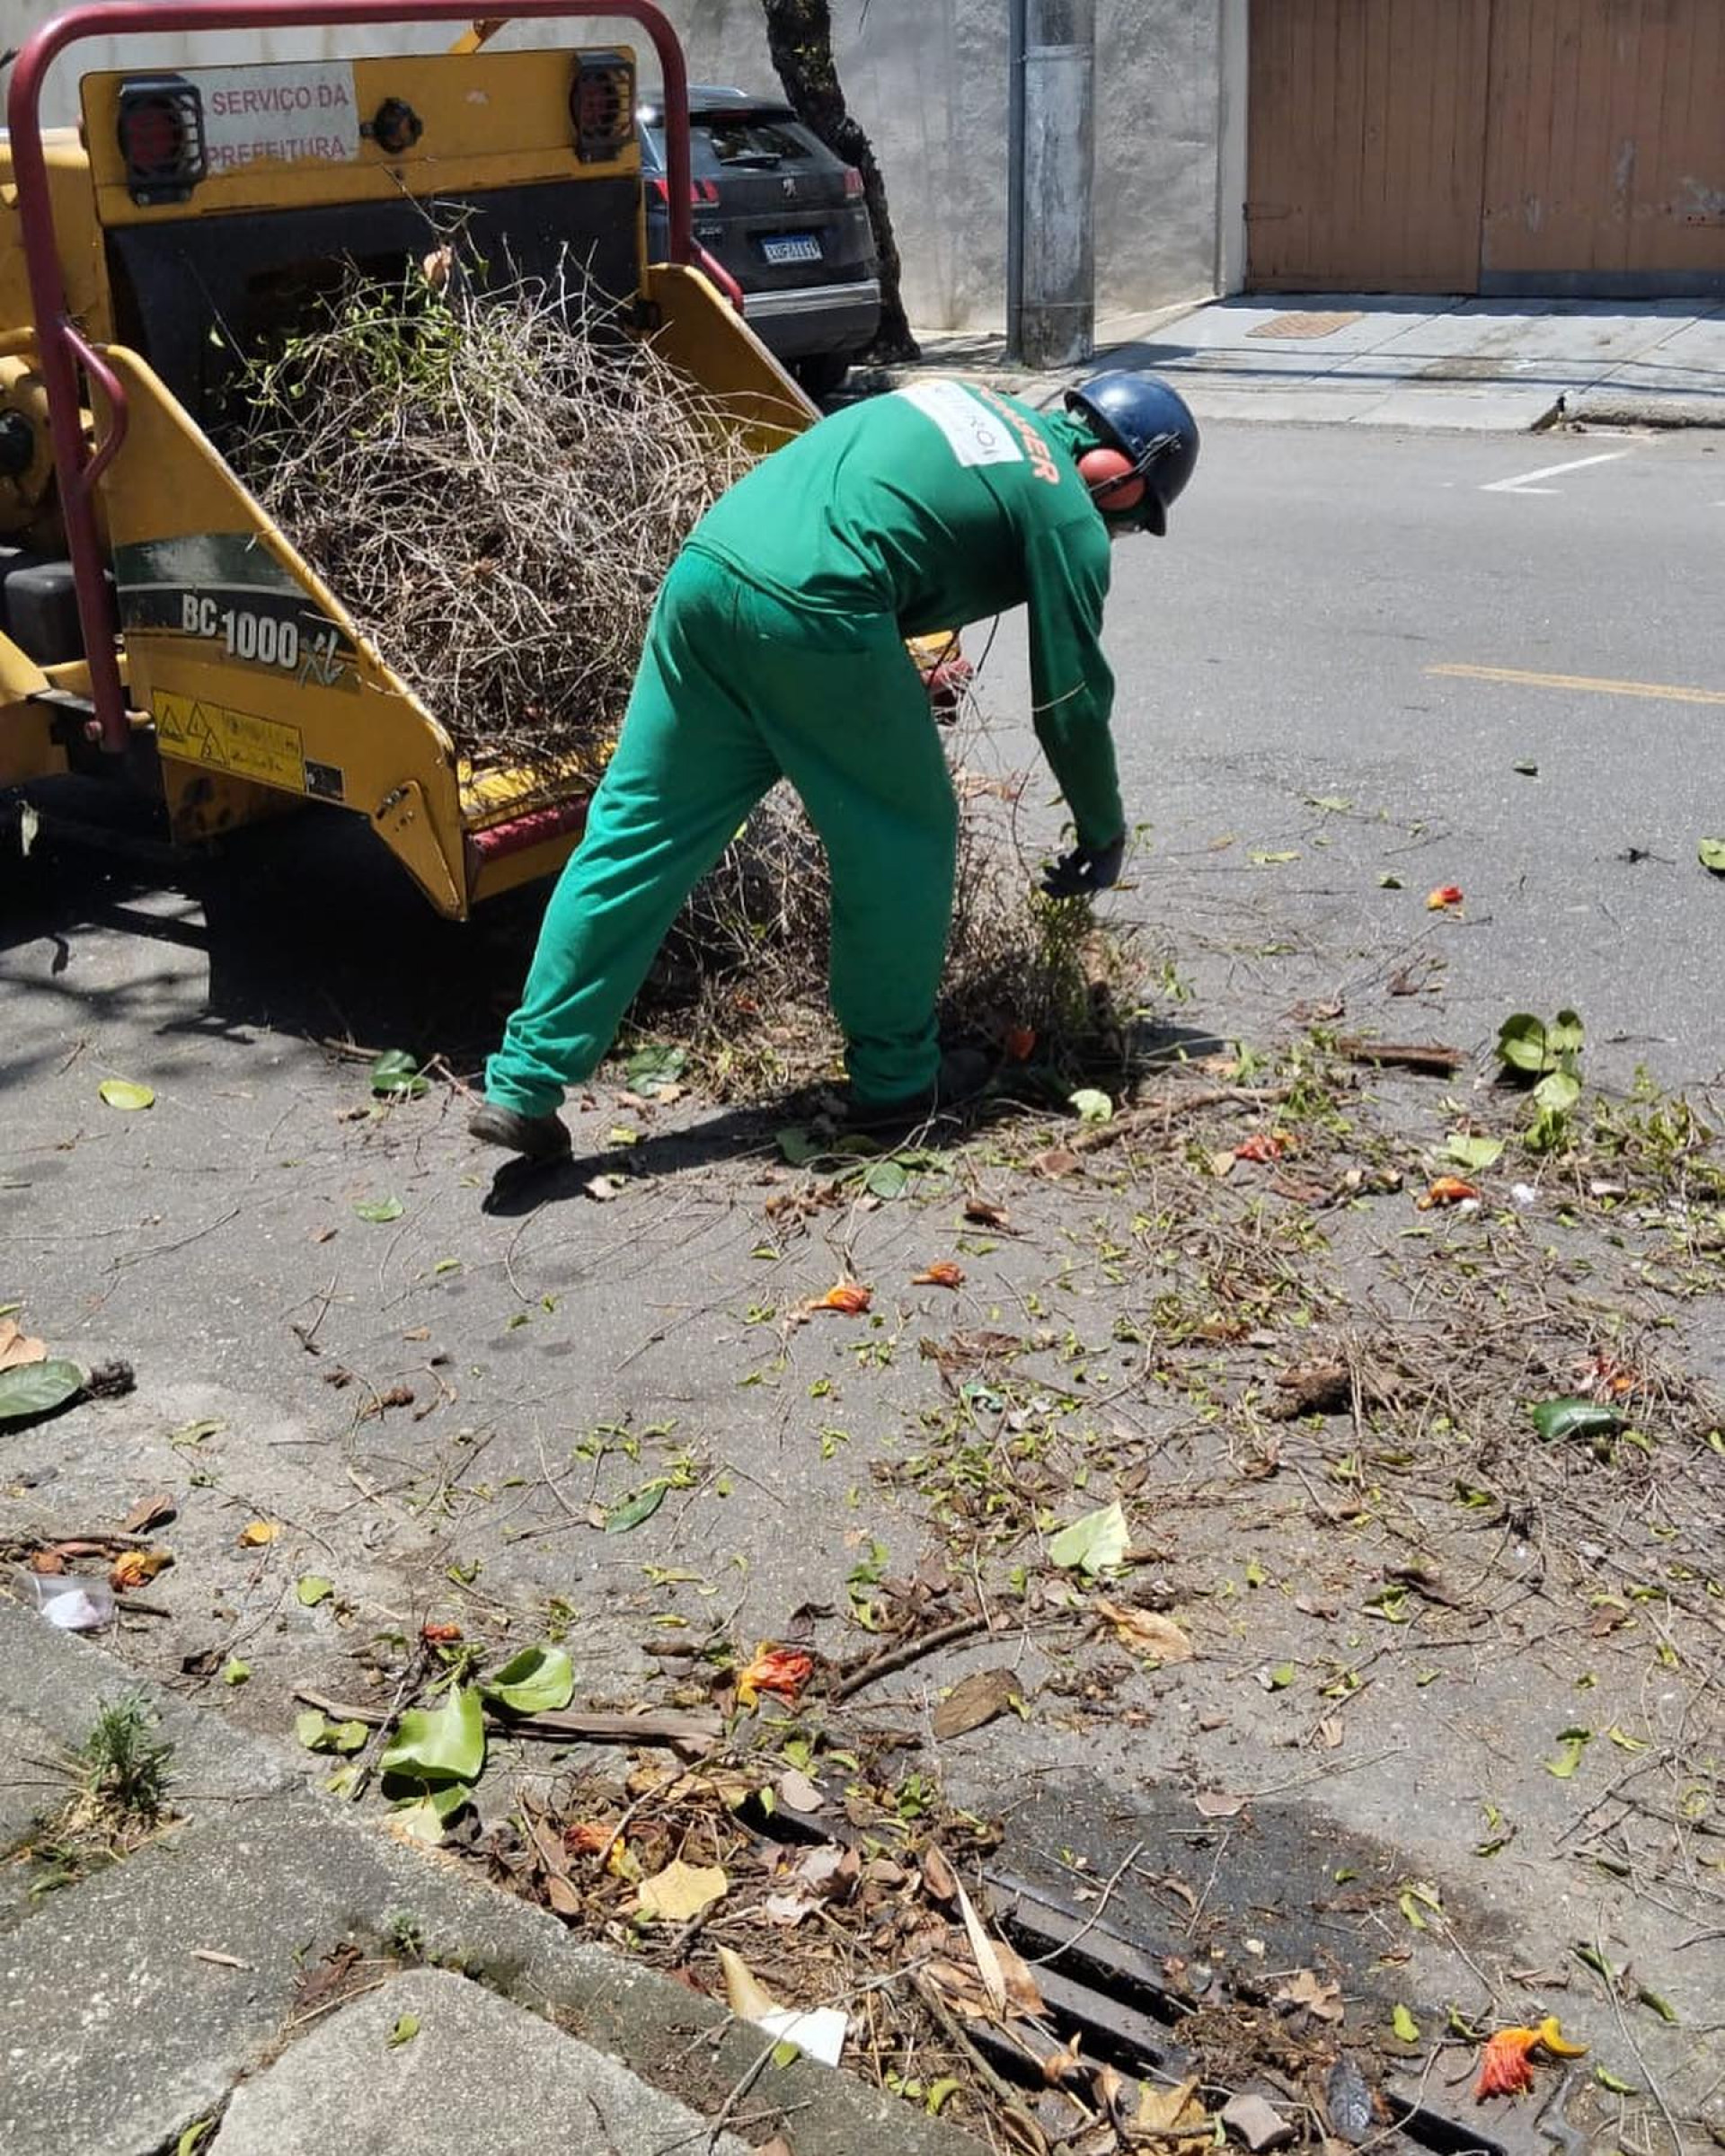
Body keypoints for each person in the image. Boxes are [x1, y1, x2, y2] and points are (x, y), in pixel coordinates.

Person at [471, 368, 1200, 1160]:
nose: (1121, 529)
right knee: (905, 834)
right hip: (818, 607)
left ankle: (524, 1081)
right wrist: (1102, 829)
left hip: (710, 571)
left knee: (639, 831)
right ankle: (895, 1080)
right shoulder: (1068, 511)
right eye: (1136, 516)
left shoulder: (969, 399)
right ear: (1124, 476)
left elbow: (889, 501)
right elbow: (1071, 700)